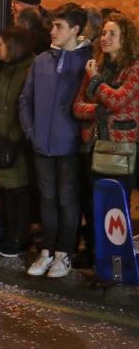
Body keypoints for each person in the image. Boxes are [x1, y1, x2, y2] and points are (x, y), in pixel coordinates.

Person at [19, 3, 92, 278]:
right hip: (42, 145)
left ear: (75, 30)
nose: (53, 31)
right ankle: (47, 251)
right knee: (47, 199)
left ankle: (64, 254)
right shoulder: (41, 61)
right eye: (52, 25)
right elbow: (25, 100)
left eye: (59, 26)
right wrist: (31, 131)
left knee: (67, 200)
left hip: (71, 147)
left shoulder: (87, 62)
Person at [73, 13, 139, 253]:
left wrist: (96, 82)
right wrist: (101, 109)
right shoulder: (96, 66)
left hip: (119, 150)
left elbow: (118, 100)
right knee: (93, 206)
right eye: (103, 33)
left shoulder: (133, 68)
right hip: (91, 146)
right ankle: (95, 255)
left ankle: (116, 263)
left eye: (113, 33)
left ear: (126, 38)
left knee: (116, 209)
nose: (105, 38)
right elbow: (78, 107)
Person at [0, 27, 35, 258]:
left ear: (13, 46)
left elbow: (23, 108)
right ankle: (9, 236)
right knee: (6, 192)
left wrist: (15, 140)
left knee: (19, 192)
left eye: (1, 43)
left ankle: (19, 238)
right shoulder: (5, 70)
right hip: (1, 140)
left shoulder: (28, 70)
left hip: (17, 143)